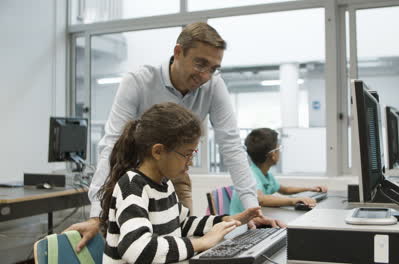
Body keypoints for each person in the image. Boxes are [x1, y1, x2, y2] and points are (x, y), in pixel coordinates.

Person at [65, 22, 284, 252]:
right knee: (142, 242)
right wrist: (97, 215)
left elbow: (231, 146)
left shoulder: (213, 86)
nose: (206, 75)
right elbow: (112, 145)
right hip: (132, 176)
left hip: (171, 174)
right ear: (178, 52)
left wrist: (250, 213)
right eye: (200, 64)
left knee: (177, 236)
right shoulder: (139, 81)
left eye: (213, 68)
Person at [100, 103, 262, 263]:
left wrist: (228, 221)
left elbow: (182, 224)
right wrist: (200, 243)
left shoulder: (165, 184)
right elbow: (137, 249)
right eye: (187, 154)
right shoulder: (132, 185)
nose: (190, 163)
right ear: (158, 151)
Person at [230, 128, 328, 215]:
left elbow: (285, 190)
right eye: (279, 148)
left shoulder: (265, 175)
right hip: (240, 227)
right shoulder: (251, 175)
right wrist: (293, 201)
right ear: (273, 154)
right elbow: (260, 199)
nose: (280, 152)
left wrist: (310, 189)